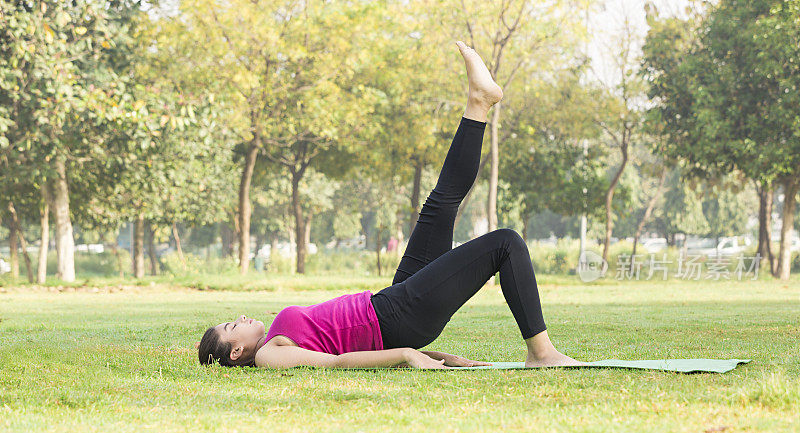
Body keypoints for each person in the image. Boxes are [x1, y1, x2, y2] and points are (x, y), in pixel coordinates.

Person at [197, 41, 584, 370]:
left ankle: (479, 103)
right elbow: (337, 363)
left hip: (391, 304)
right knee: (506, 243)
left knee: (438, 205)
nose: (242, 318)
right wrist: (407, 355)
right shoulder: (267, 357)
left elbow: (351, 344)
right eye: (233, 326)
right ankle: (542, 352)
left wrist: (436, 355)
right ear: (236, 351)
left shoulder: (273, 339)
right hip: (397, 316)